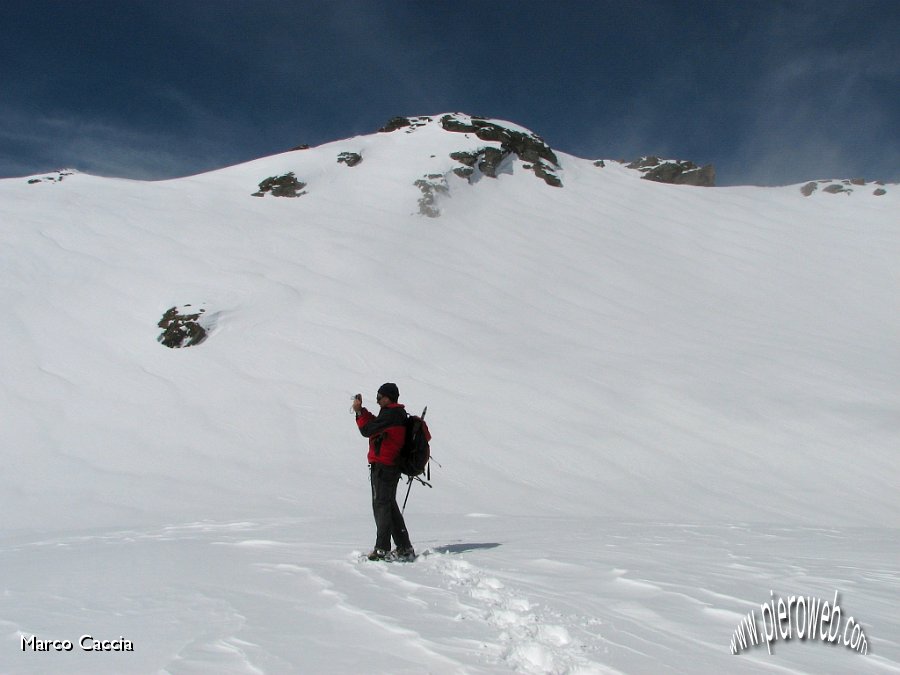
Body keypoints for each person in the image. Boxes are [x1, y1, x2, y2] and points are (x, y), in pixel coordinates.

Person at [352, 383, 416, 561]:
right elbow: (375, 425)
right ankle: (404, 546)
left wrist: (358, 412)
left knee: (381, 505)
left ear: (389, 397)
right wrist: (362, 412)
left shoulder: (392, 414)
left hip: (385, 466)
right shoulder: (394, 414)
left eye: (380, 396)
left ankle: (382, 548)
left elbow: (367, 430)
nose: (378, 399)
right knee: (388, 505)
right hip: (389, 465)